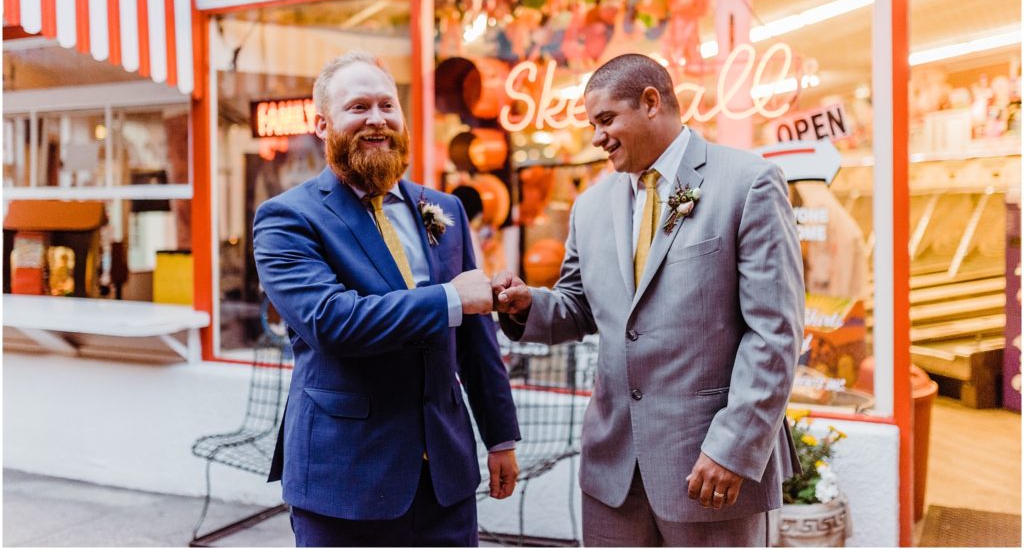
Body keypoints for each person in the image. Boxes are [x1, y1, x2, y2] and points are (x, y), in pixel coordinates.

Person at [492, 53, 803, 547]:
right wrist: (527, 305)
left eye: (607, 119)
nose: (597, 137)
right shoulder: (591, 205)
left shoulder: (748, 182)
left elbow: (775, 333)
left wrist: (734, 447)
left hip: (709, 467)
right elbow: (580, 307)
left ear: (652, 103)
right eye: (592, 125)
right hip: (612, 472)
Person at [253, 51, 520, 547]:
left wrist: (499, 436)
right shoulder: (287, 220)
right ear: (322, 123)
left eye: (387, 105)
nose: (376, 119)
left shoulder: (445, 209)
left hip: (445, 478)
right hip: (347, 478)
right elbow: (333, 323)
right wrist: (449, 299)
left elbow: (476, 339)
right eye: (358, 107)